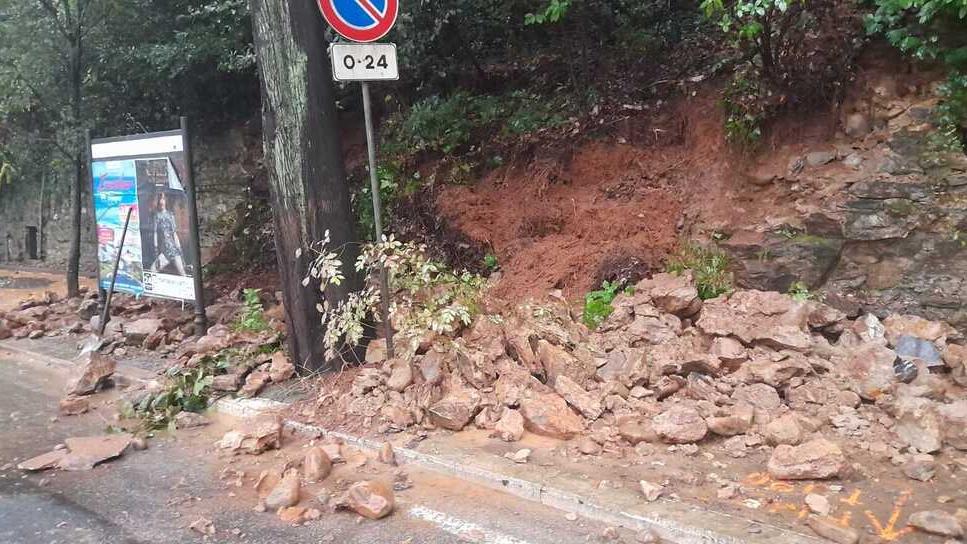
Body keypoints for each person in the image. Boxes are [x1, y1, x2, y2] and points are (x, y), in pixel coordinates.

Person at [149, 192, 187, 275]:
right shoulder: (156, 216)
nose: (161, 201)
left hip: (173, 249)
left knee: (182, 272)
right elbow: (155, 233)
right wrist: (156, 250)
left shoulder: (170, 215)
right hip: (164, 250)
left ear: (166, 200)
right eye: (160, 199)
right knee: (152, 270)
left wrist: (180, 249)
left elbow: (174, 234)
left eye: (163, 199)